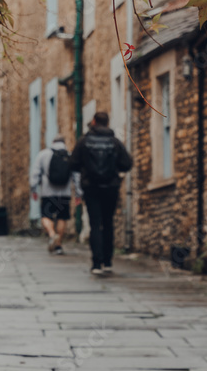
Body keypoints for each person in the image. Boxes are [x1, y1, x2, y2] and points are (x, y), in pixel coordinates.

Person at [71, 111, 133, 276]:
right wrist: (114, 171)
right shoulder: (115, 142)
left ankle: (96, 263)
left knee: (95, 224)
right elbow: (127, 164)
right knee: (108, 223)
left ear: (93, 121)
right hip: (110, 188)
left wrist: (85, 170)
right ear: (107, 123)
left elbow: (73, 163)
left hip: (91, 188)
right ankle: (108, 262)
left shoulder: (84, 142)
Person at [30, 134, 81, 254]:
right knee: (62, 218)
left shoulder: (43, 154)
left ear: (53, 142)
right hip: (64, 193)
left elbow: (35, 173)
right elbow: (76, 176)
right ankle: (58, 246)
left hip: (48, 193)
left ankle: (52, 234)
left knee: (46, 216)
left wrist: (34, 189)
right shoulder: (69, 155)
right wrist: (79, 193)